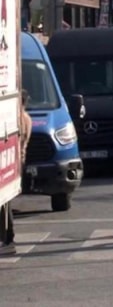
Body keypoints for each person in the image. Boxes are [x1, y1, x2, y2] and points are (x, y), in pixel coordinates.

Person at [0, 91, 32, 255]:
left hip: (14, 161)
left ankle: (8, 237)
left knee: (5, 205)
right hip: (17, 162)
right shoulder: (26, 117)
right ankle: (8, 237)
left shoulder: (21, 118)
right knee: (6, 204)